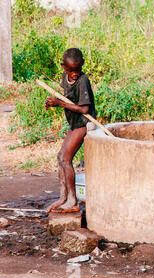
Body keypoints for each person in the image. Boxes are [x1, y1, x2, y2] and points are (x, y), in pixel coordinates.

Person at [44, 48, 96, 213]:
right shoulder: (65, 78)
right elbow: (67, 98)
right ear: (63, 67)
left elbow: (85, 109)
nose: (74, 73)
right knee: (60, 157)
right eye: (70, 70)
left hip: (83, 122)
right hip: (74, 123)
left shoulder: (83, 80)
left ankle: (72, 200)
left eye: (77, 70)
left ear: (82, 65)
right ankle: (63, 196)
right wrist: (52, 102)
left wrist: (60, 103)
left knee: (66, 158)